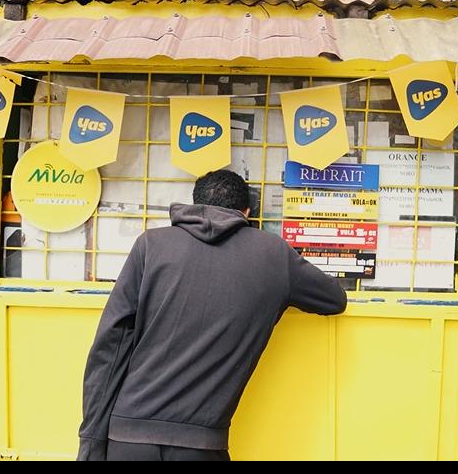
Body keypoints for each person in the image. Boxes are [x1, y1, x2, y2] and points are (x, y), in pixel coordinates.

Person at [78, 170, 347, 461]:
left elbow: (111, 346)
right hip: (201, 445)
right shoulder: (273, 254)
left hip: (128, 436)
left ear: (195, 204)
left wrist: (91, 443)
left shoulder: (150, 245)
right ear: (247, 212)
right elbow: (334, 299)